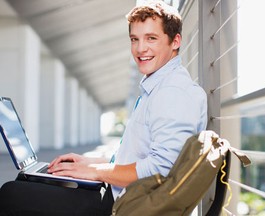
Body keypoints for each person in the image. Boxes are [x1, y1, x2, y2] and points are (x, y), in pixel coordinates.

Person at [0, 1, 207, 215]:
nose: (140, 48)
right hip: (117, 195)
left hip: (121, 207)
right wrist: (90, 163)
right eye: (134, 39)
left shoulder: (174, 92)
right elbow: (141, 157)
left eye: (151, 38)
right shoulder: (160, 86)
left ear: (175, 41)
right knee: (31, 181)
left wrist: (95, 171)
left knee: (12, 193)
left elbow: (161, 170)